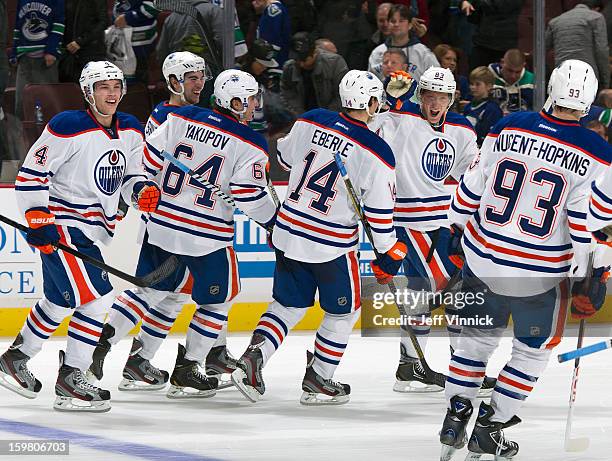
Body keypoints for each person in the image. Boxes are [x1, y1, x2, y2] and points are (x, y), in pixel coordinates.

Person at [439, 59, 611, 460]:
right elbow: (589, 223)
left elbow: (472, 186)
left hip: (482, 258)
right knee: (532, 349)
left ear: (550, 87)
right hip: (540, 275)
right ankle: (490, 425)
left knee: (475, 341)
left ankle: (455, 414)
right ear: (587, 101)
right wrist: (594, 273)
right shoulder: (598, 152)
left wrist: (453, 230)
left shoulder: (507, 125)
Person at [231, 70, 403, 405]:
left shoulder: (311, 120)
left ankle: (253, 359)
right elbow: (381, 214)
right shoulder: (377, 150)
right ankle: (320, 378)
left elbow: (282, 157)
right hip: (330, 245)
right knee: (345, 311)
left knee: (287, 305)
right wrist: (387, 253)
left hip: (288, 231)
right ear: (370, 102)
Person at [0, 61, 161, 412]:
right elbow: (32, 173)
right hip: (63, 224)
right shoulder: (68, 126)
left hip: (95, 228)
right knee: (99, 298)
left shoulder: (131, 129)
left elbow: (133, 175)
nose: (112, 92)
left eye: (116, 86)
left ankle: (16, 357)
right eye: (103, 87)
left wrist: (141, 191)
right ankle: (73, 376)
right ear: (89, 92)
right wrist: (39, 218)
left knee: (59, 301)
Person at [88, 52, 239, 393]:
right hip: (180, 221)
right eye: (191, 78)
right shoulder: (178, 119)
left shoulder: (170, 115)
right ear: (173, 82)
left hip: (171, 219)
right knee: (170, 291)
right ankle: (111, 342)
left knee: (171, 295)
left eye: (202, 76)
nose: (199, 83)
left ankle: (138, 359)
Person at [135, 69, 278, 398]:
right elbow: (249, 195)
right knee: (220, 299)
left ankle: (123, 355)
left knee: (160, 292)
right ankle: (188, 368)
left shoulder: (181, 116)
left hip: (162, 224)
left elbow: (147, 158)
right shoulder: (250, 141)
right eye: (252, 98)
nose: (255, 103)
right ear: (237, 101)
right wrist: (273, 223)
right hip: (206, 233)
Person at [371, 67, 496, 394]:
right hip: (408, 224)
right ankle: (452, 369)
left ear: (452, 99)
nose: (435, 103)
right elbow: (370, 128)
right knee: (448, 294)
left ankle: (417, 366)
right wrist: (389, 98)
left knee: (434, 295)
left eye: (442, 97)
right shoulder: (400, 118)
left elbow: (473, 174)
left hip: (444, 224)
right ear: (420, 96)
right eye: (429, 96)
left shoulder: (462, 129)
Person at [10, 0, 65, 120]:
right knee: (21, 104)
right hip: (24, 58)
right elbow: (18, 27)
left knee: (48, 104)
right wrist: (14, 52)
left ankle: (51, 136)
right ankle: (23, 136)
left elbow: (59, 25)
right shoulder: (22, 1)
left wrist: (51, 50)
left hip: (46, 61)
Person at [281, 32, 348, 117]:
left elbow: (343, 95)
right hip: (302, 117)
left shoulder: (335, 63)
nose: (301, 64)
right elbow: (287, 93)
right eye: (297, 59)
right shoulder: (289, 67)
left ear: (315, 52)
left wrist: (324, 117)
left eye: (304, 59)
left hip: (332, 116)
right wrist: (301, 115)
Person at [546, 0, 610, 91]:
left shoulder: (555, 21)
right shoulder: (596, 17)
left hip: (562, 74)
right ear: (597, 9)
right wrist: (605, 82)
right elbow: (601, 51)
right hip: (587, 76)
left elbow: (541, 50)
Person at [368, 4, 438, 81]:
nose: (396, 24)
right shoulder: (377, 52)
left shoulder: (423, 53)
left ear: (410, 25)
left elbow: (436, 80)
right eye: (393, 21)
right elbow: (369, 82)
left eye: (401, 21)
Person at [58, 0, 107, 83]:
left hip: (91, 52)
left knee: (90, 88)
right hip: (68, 52)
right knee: (68, 90)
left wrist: (80, 41)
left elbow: (103, 22)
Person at [112, 0, 159, 83]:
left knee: (141, 74)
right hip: (123, 39)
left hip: (142, 43)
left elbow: (153, 8)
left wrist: (127, 17)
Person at [463, 66, 503, 146]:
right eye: (471, 84)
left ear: (489, 86)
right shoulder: (468, 107)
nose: (473, 87)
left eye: (477, 84)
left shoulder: (493, 110)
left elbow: (491, 137)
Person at [489, 49, 534, 114]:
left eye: (518, 72)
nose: (513, 76)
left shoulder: (532, 80)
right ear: (502, 62)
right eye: (510, 70)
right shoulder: (488, 77)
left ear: (524, 65)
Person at [252, 0, 291, 66]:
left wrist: (264, 60)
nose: (254, 2)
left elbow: (271, 38)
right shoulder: (273, 9)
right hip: (273, 60)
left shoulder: (273, 9)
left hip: (272, 61)